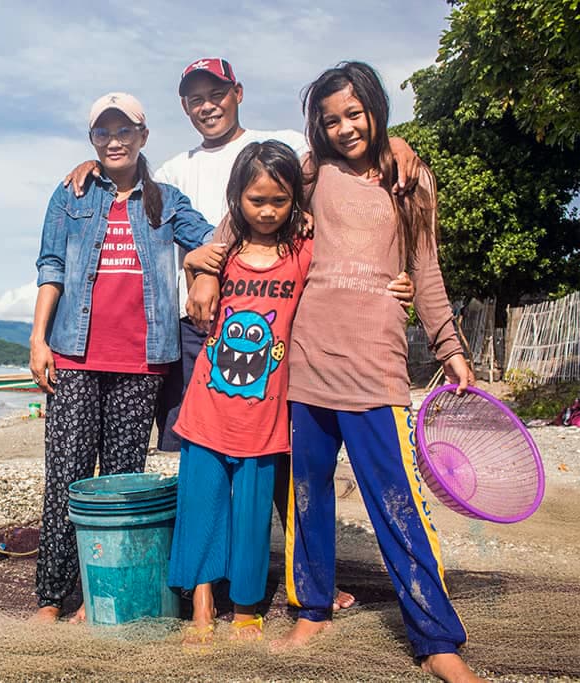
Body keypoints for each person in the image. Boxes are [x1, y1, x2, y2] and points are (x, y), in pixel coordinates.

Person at [66, 56, 421, 616]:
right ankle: (206, 582)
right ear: (183, 107)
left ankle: (306, 575)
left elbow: (343, 144)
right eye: (194, 97)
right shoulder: (177, 168)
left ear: (237, 92)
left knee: (276, 457)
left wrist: (394, 145)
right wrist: (95, 163)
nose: (206, 105)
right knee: (202, 454)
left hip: (279, 317)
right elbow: (132, 176)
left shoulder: (279, 141)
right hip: (203, 325)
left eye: (216, 93)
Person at [219, 61, 478, 682]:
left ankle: (436, 638)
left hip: (375, 365)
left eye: (355, 114)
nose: (344, 128)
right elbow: (251, 204)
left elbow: (428, 268)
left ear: (375, 110)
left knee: (397, 502)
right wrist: (207, 266)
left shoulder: (410, 180)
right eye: (330, 118)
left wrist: (451, 347)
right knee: (305, 499)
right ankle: (311, 611)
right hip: (304, 362)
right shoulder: (313, 172)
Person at [29, 92, 216, 623]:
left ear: (143, 136)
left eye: (124, 131)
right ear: (93, 140)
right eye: (102, 133)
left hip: (142, 362)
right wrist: (38, 339)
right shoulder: (71, 195)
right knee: (65, 475)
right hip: (74, 356)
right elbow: (50, 267)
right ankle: (50, 596)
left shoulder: (167, 200)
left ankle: (98, 594)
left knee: (120, 481)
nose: (114, 141)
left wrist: (202, 272)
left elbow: (210, 241)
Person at [168, 141, 312, 646]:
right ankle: (203, 605)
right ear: (237, 199)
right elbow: (193, 291)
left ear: (295, 198)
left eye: (280, 200)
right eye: (256, 200)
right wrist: (197, 271)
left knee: (252, 516)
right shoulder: (217, 255)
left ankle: (247, 608)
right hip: (207, 406)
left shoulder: (303, 251)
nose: (268, 211)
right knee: (202, 506)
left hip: (267, 416)